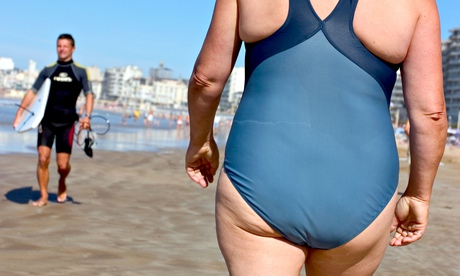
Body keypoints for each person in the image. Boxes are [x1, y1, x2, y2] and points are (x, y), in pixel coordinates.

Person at [186, 0, 447, 274]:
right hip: (362, 196)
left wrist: (200, 141)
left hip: (258, 184)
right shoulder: (417, 5)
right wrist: (418, 195)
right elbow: (431, 115)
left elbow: (206, 79)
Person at [13, 34, 94, 207]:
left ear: (73, 48)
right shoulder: (48, 70)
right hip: (46, 121)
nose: (62, 49)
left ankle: (62, 181)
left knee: (62, 166)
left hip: (67, 123)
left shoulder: (80, 72)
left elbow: (89, 94)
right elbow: (32, 92)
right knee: (43, 158)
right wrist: (20, 114)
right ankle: (43, 196)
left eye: (65, 46)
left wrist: (87, 116)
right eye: (59, 46)